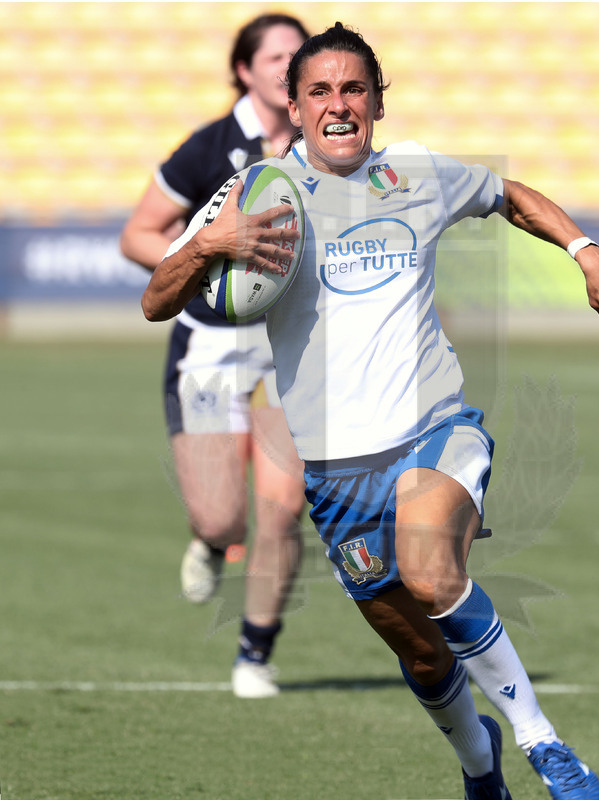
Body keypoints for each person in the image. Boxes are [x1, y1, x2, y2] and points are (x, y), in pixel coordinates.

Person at [141, 22, 599, 799]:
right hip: (335, 471)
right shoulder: (258, 193)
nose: (338, 105)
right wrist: (211, 243)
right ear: (293, 102)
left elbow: (509, 196)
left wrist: (587, 251)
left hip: (433, 428)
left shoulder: (415, 172)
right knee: (421, 656)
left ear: (377, 101)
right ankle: (482, 773)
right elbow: (156, 300)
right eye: (320, 91)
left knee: (429, 565)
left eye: (353, 89)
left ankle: (543, 740)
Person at [120, 14, 311, 699]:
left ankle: (254, 655)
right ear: (244, 69)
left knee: (282, 506)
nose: (289, 67)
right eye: (276, 56)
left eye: (300, 55)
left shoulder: (322, 149)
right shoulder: (210, 146)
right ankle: (207, 539)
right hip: (209, 346)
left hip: (286, 349)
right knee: (221, 515)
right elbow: (138, 234)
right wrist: (201, 253)